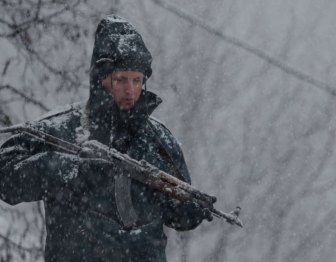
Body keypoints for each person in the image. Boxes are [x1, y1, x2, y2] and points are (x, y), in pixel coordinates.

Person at [0, 15, 212, 262]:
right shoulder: (63, 127)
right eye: (121, 79)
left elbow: (177, 216)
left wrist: (189, 211)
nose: (131, 90)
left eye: (137, 80)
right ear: (101, 79)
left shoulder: (160, 140)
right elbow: (5, 174)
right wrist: (73, 171)